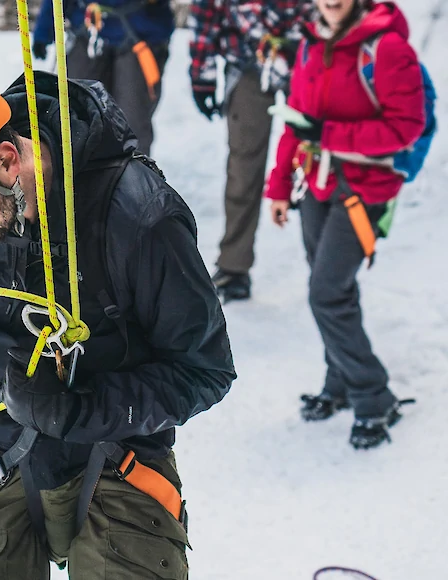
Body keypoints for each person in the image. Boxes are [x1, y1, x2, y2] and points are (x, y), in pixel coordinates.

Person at [0, 66, 235, 578]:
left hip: (123, 444)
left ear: (9, 161)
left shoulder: (139, 216)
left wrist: (80, 411)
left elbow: (204, 370)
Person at [265, 0, 424, 449]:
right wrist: (278, 187)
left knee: (327, 293)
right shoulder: (311, 43)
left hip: (364, 189)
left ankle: (373, 396)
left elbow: (407, 127)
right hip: (315, 185)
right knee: (329, 287)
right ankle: (339, 381)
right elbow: (297, 121)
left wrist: (330, 135)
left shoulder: (387, 48)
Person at [188, 0, 314, 302]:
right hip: (248, 61)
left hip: (311, 59)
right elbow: (206, 12)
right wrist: (202, 74)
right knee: (243, 168)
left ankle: (328, 268)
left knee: (317, 160)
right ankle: (234, 267)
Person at [31, 0, 176, 155]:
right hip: (88, 30)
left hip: (141, 33)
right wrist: (44, 28)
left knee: (132, 122)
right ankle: (81, 174)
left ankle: (133, 174)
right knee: (76, 116)